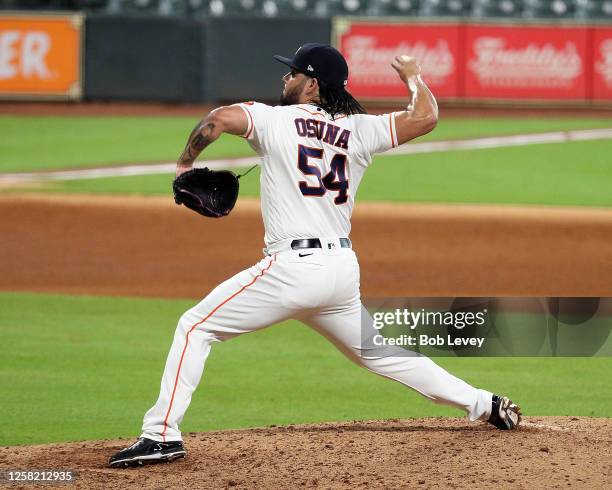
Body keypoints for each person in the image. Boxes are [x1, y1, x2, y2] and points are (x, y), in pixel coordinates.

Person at [109, 43, 521, 468]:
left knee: (195, 327)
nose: (284, 78)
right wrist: (413, 77)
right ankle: (484, 404)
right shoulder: (359, 130)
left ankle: (160, 436)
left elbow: (216, 121)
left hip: (293, 270)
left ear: (312, 85)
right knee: (381, 354)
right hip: (341, 272)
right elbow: (426, 117)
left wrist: (184, 165)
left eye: (292, 73)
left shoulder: (272, 119)